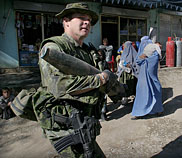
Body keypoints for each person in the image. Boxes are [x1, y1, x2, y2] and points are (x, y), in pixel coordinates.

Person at [35, 2, 124, 158]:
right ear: (66, 21)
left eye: (89, 19)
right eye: (81, 18)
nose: (87, 22)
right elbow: (59, 87)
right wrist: (100, 79)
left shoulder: (89, 51)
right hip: (65, 128)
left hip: (85, 123)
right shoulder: (54, 48)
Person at [131, 36, 164, 120]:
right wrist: (144, 57)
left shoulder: (155, 52)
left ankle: (157, 110)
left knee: (156, 90)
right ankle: (139, 112)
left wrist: (145, 58)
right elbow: (137, 60)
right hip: (143, 78)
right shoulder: (143, 51)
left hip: (151, 77)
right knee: (141, 93)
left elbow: (153, 61)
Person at [116, 41, 139, 105]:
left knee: (132, 86)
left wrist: (130, 66)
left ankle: (134, 97)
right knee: (124, 86)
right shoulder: (124, 53)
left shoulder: (134, 54)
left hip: (131, 74)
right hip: (124, 74)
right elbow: (121, 63)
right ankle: (125, 98)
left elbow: (136, 64)